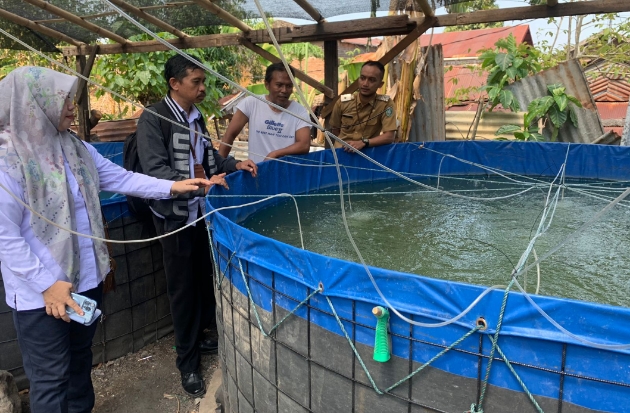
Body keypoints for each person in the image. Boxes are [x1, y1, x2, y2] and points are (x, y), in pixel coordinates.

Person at [0, 66, 218, 413]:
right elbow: (6, 238)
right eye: (64, 100)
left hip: (85, 280)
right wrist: (47, 284)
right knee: (50, 377)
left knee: (79, 362)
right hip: (41, 296)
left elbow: (121, 178)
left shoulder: (75, 147)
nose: (73, 107)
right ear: (34, 103)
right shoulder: (7, 162)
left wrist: (173, 186)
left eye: (73, 99)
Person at [136, 54, 257, 397]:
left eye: (203, 82)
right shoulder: (154, 118)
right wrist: (200, 183)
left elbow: (209, 160)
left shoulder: (196, 117)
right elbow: (154, 171)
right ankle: (187, 363)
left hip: (200, 214)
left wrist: (234, 163)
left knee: (203, 280)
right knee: (181, 290)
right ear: (175, 84)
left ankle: (202, 339)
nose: (203, 88)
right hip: (173, 217)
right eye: (196, 82)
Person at [218, 62, 311, 163]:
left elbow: (304, 145)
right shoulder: (252, 103)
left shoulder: (299, 111)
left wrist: (275, 154)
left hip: (286, 175)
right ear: (267, 84)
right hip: (257, 173)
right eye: (279, 85)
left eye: (288, 86)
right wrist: (218, 168)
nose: (284, 90)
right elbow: (229, 136)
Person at [329, 61, 397, 152]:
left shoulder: (385, 104)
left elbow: (389, 137)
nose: (365, 84)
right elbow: (335, 130)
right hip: (341, 153)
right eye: (362, 78)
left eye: (372, 80)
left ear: (380, 84)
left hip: (367, 154)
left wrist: (364, 142)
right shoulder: (343, 102)